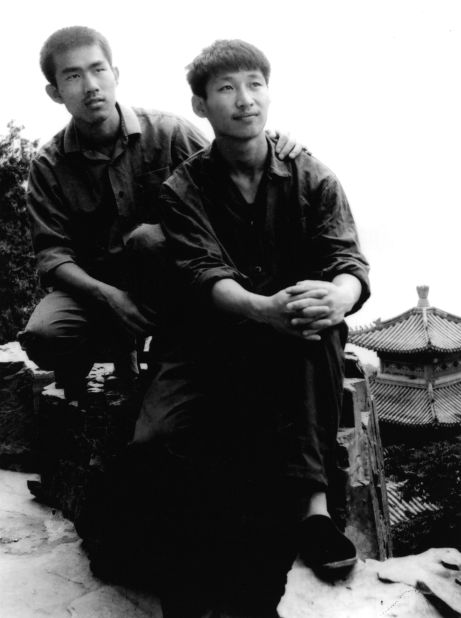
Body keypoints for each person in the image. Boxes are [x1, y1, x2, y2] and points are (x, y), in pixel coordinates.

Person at [132, 39, 370, 605]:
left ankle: (315, 511)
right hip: (213, 333)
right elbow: (204, 274)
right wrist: (264, 311)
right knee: (155, 440)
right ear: (200, 105)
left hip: (291, 331)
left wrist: (340, 296)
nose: (244, 100)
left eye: (254, 85)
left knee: (319, 315)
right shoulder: (183, 189)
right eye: (226, 89)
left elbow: (348, 261)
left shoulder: (312, 176)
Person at [19, 26, 300, 402]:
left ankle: (180, 361)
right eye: (73, 76)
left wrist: (276, 145)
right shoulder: (48, 166)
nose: (91, 86)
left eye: (98, 70)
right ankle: (88, 373)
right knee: (46, 336)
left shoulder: (168, 133)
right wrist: (110, 297)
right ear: (55, 92)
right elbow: (52, 257)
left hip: (173, 285)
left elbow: (231, 174)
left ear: (115, 75)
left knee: (148, 239)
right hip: (96, 293)